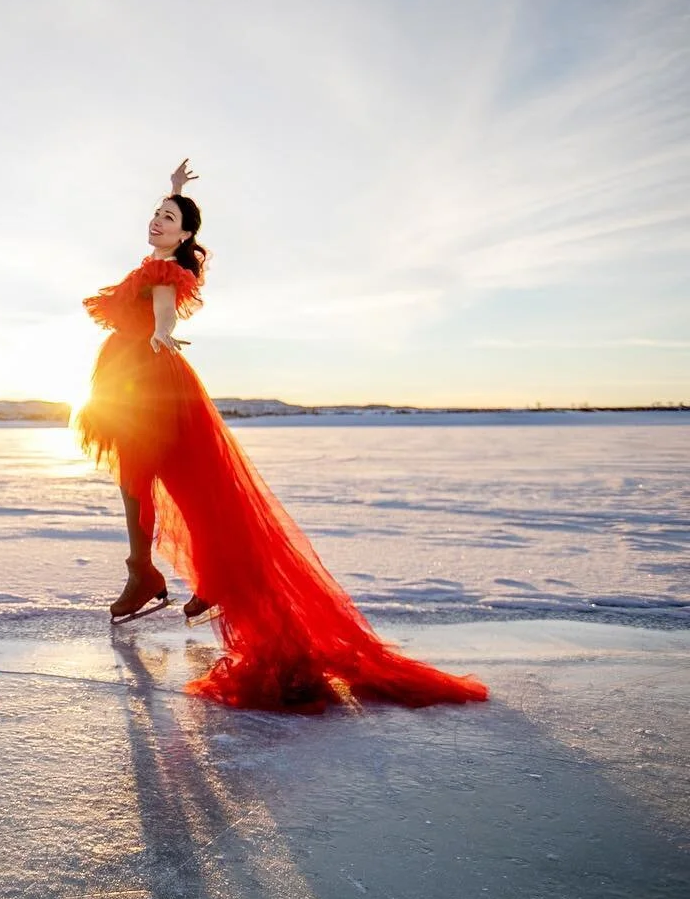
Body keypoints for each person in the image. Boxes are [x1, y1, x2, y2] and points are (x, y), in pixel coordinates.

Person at [74, 160, 489, 712]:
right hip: (132, 379)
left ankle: (153, 574)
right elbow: (169, 255)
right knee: (159, 480)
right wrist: (173, 191)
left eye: (167, 217)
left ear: (186, 234)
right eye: (154, 214)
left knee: (164, 481)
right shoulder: (158, 259)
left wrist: (162, 336)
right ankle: (167, 574)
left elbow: (167, 311)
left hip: (149, 377)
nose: (156, 221)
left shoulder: (166, 273)